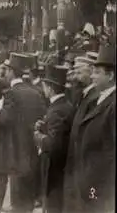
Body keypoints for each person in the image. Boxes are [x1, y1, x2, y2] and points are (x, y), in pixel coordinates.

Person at [0, 53, 47, 213]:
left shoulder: (11, 93)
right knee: (26, 198)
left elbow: (5, 120)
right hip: (30, 148)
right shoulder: (36, 92)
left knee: (11, 190)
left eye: (6, 70)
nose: (4, 73)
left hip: (12, 149)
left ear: (12, 72)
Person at [63, 43, 115, 213]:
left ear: (111, 76)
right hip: (89, 178)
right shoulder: (99, 99)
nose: (93, 77)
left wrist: (97, 182)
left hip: (99, 183)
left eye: (97, 73)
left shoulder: (112, 103)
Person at [33, 65, 74, 213]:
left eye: (44, 86)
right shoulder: (65, 105)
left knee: (52, 206)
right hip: (61, 169)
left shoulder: (56, 110)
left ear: (50, 88)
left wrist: (38, 136)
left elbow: (53, 143)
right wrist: (44, 127)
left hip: (53, 170)